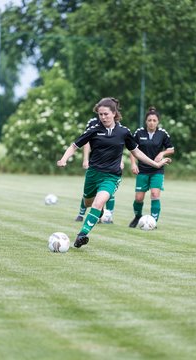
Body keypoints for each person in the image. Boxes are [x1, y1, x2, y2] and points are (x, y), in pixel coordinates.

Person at [57, 97, 171, 248]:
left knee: (98, 203)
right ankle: (99, 210)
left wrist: (155, 164)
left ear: (114, 113)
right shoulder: (94, 129)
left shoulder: (124, 132)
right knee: (88, 202)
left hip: (111, 176)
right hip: (93, 174)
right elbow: (74, 146)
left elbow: (136, 152)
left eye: (106, 114)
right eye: (100, 114)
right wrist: (64, 159)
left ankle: (82, 235)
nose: (103, 117)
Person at [129, 106, 174, 228]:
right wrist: (133, 164)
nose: (152, 122)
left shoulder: (162, 134)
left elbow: (171, 149)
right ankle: (138, 217)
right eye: (149, 120)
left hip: (157, 170)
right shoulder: (139, 132)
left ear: (158, 121)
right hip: (142, 170)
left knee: (155, 194)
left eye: (154, 120)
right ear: (146, 121)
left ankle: (153, 221)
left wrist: (162, 153)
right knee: (138, 198)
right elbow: (132, 149)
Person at [75, 117, 119, 224]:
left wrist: (120, 161)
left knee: (108, 193)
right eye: (101, 112)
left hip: (111, 168)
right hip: (95, 166)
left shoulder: (117, 125)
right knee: (89, 195)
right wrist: (86, 159)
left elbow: (118, 145)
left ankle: (108, 216)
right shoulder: (92, 123)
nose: (104, 116)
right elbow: (86, 142)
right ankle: (82, 213)